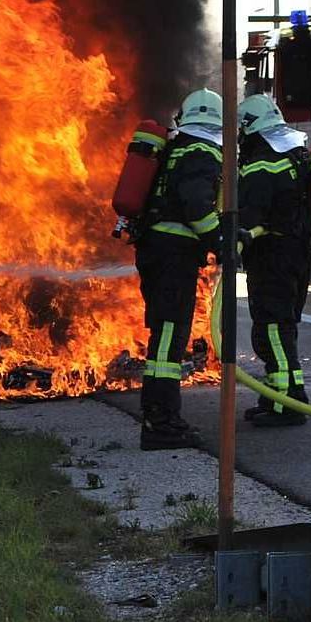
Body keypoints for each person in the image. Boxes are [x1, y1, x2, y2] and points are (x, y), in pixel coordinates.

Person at [134, 88, 223, 450]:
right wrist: (220, 242)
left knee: (164, 336)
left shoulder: (175, 146)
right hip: (173, 257)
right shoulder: (202, 151)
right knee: (169, 338)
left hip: (157, 252)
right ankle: (161, 422)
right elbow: (197, 208)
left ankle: (159, 415)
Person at [236, 93, 311, 427]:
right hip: (297, 251)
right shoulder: (297, 156)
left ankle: (288, 404)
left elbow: (248, 216)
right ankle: (276, 397)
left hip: (272, 258)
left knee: (272, 329)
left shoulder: (261, 165)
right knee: (284, 327)